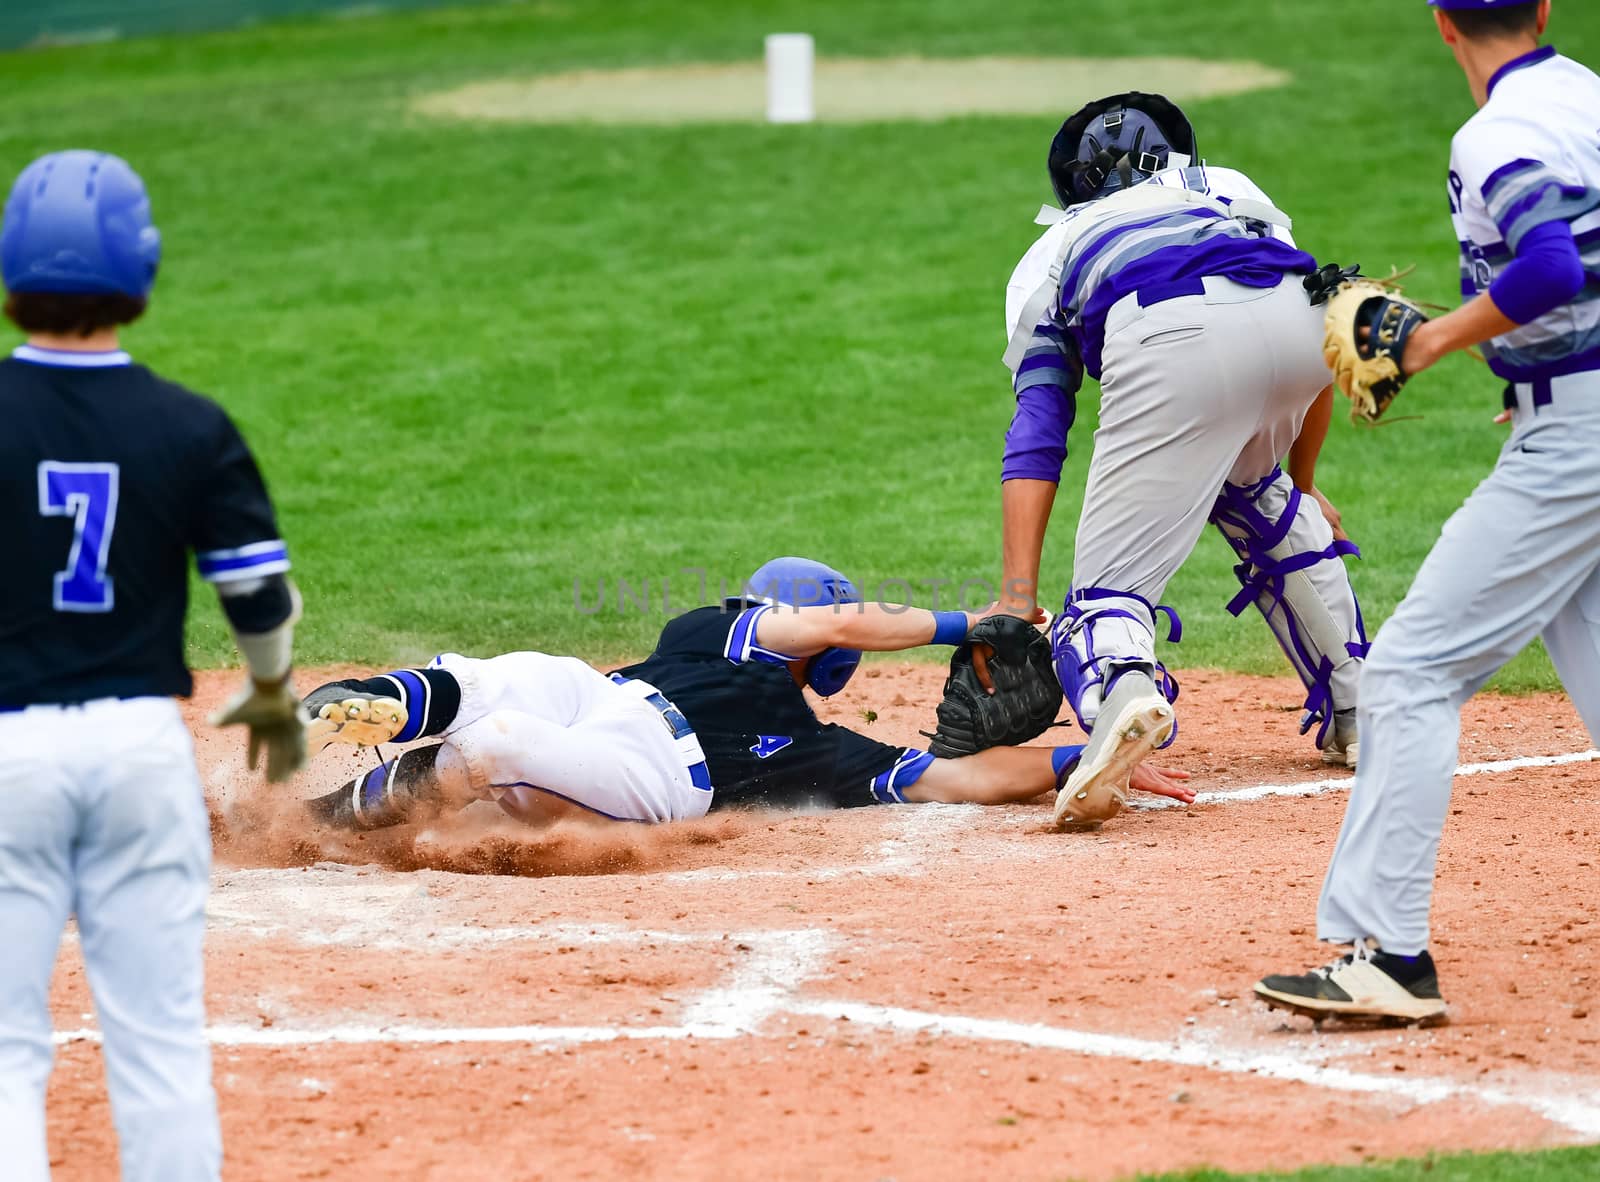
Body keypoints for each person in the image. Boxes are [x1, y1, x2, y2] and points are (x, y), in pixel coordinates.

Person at [1255, 0, 1599, 1025]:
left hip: (1573, 446)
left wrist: (1432, 341)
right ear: (1541, 9)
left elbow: (1549, 266)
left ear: (1441, 23)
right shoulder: (1584, 93)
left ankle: (1386, 957)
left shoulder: (1495, 135)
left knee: (1408, 674)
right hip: (1577, 414)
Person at [0, 152, 306, 1180]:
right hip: (138, 753)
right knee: (158, 1041)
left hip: (5, 756)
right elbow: (258, 598)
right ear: (142, 270)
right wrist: (268, 694)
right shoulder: (188, 426)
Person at [998, 93, 1368, 830]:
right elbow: (1316, 311)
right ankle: (1364, 705)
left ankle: (1124, 689)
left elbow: (1041, 423)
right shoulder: (1228, 188)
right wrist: (1303, 484)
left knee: (1100, 604)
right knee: (1261, 497)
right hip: (1307, 325)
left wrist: (1017, 592)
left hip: (1169, 330)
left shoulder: (1049, 251)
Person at [298, 557, 1192, 830]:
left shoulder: (829, 754)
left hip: (645, 770)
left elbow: (961, 779)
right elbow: (839, 629)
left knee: (495, 742)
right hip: (600, 698)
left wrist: (1095, 754)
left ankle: (345, 808)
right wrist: (969, 623)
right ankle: (375, 706)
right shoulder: (715, 632)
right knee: (520, 676)